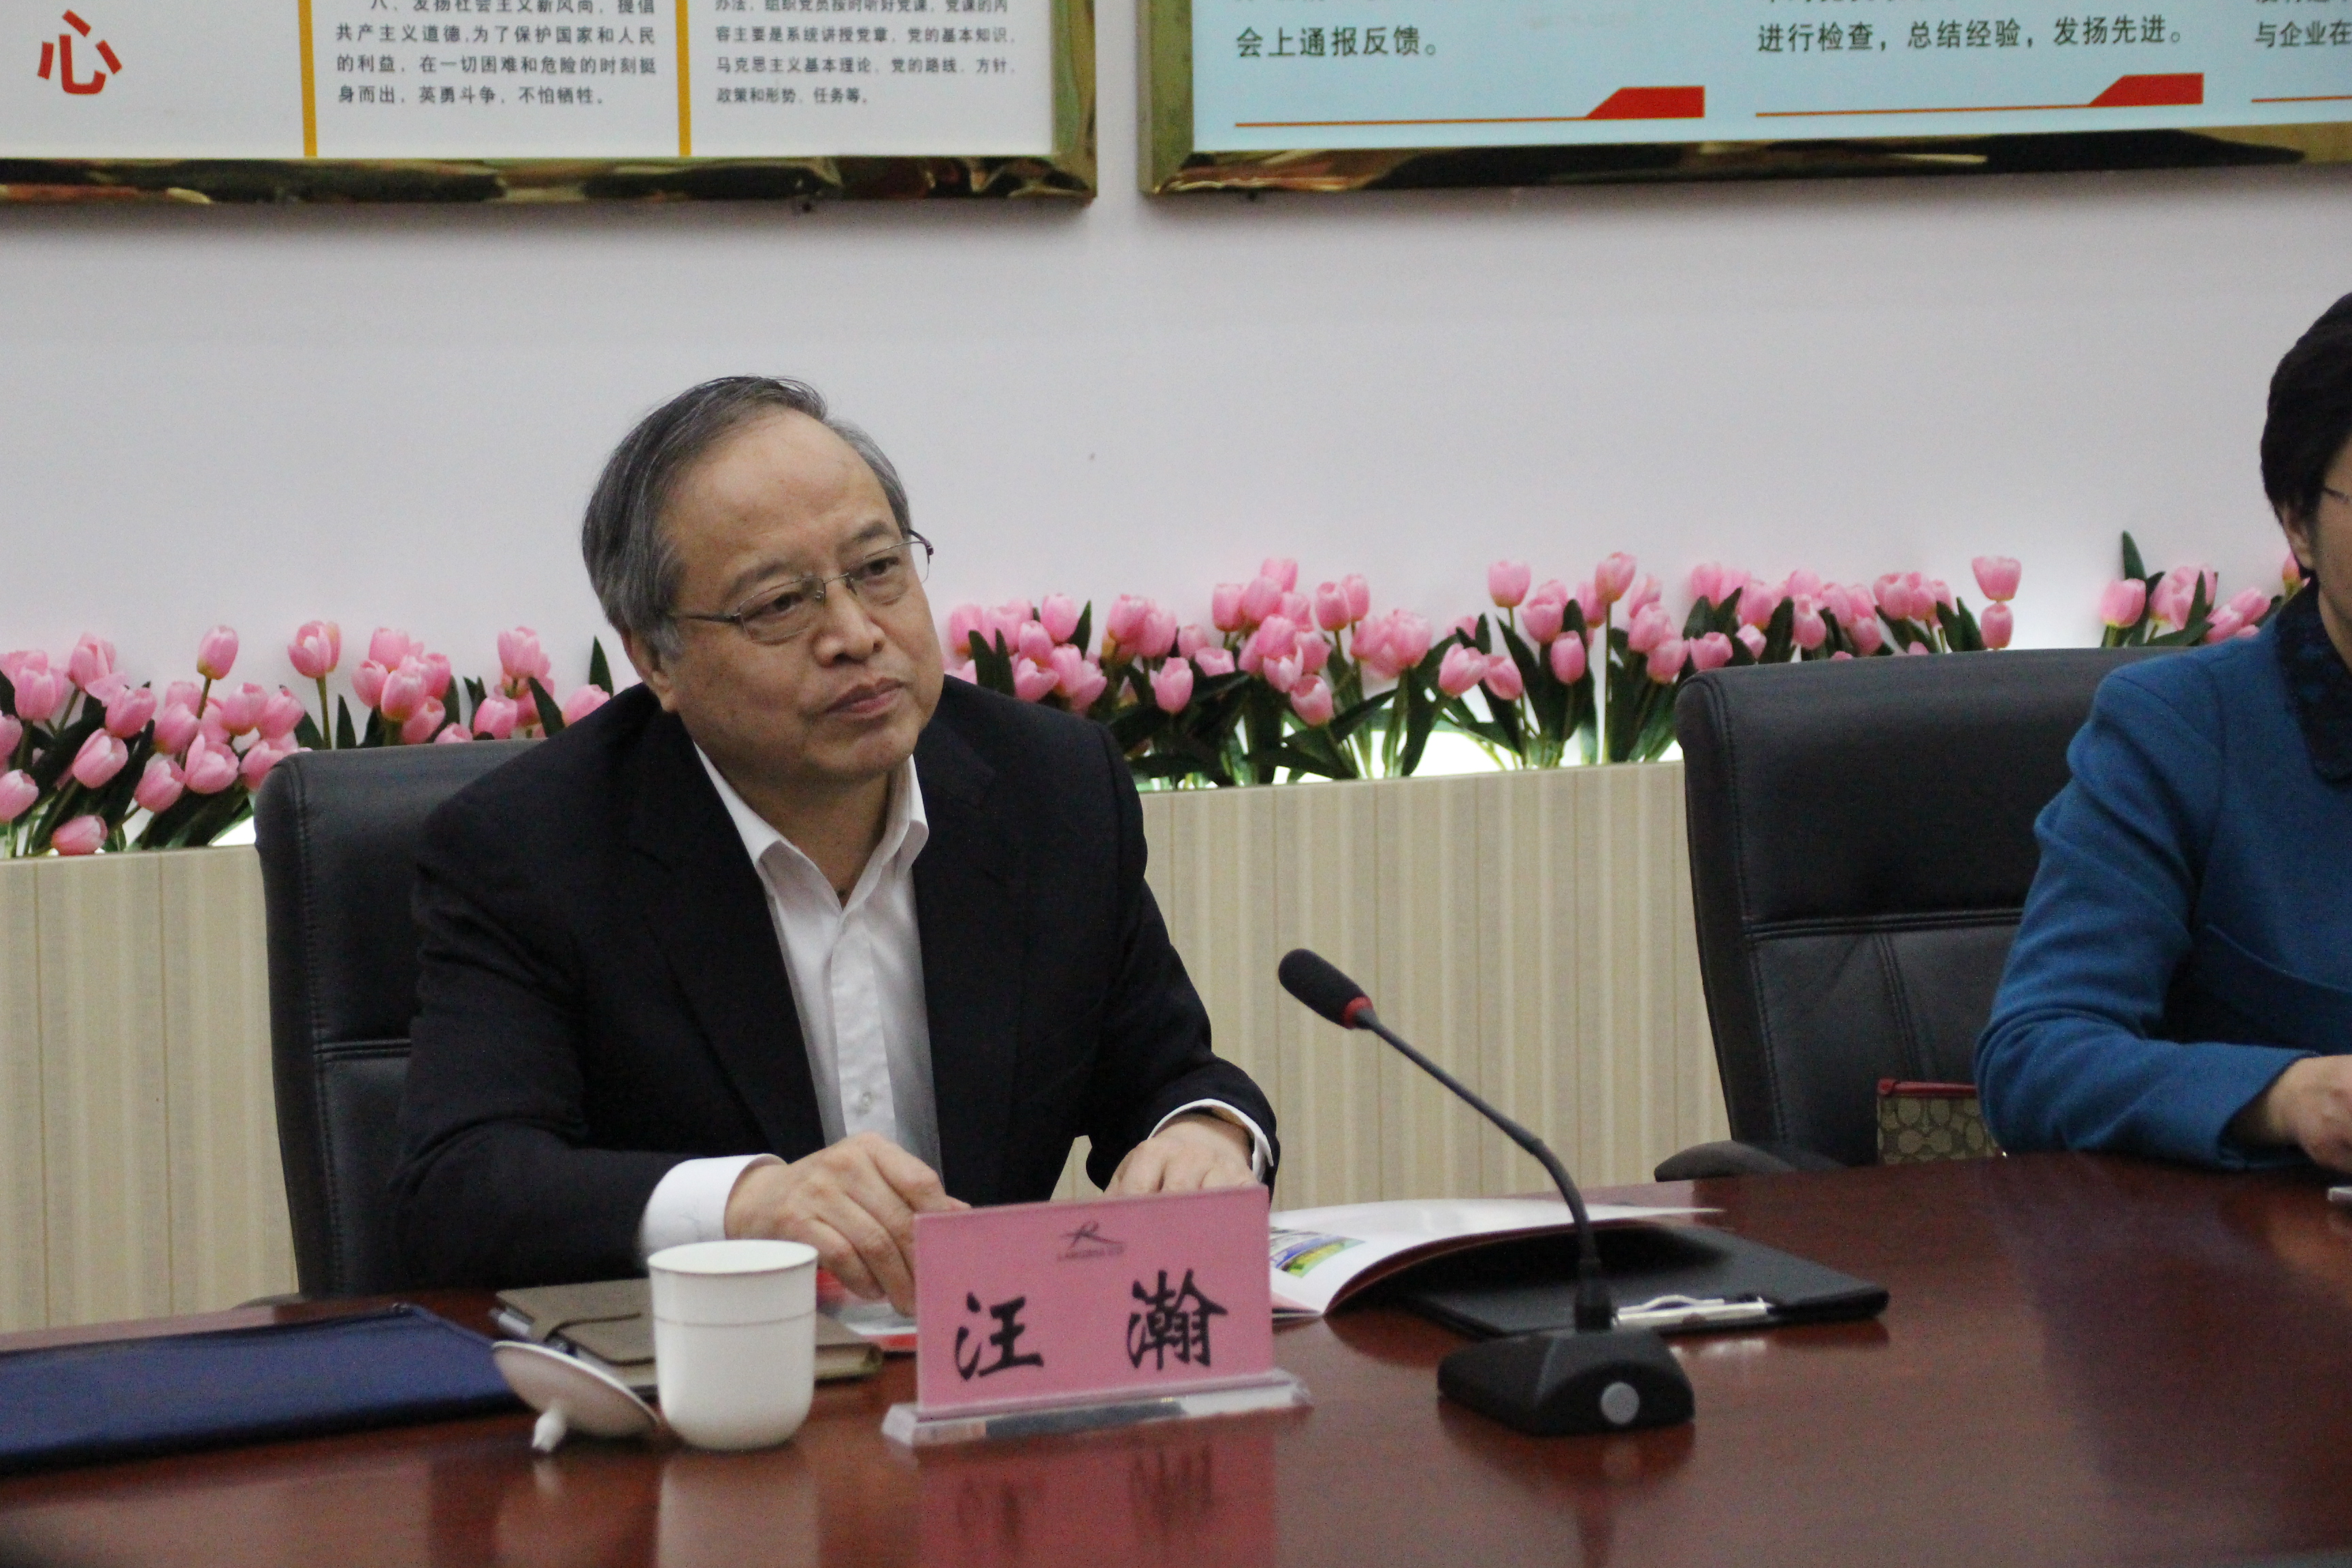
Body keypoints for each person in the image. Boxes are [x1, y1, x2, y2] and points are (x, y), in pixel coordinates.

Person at [391, 377, 1276, 1305]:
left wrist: (1203, 1135)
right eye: (780, 603)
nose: (856, 634)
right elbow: (458, 1190)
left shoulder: (1049, 791)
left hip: (987, 1364)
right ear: (654, 657)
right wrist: (747, 1206)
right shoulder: (528, 850)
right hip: (714, 1370)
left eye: (879, 569)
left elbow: (1169, 1074)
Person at [1977, 295, 2352, 1170]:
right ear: (2298, 521)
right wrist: (2287, 1097)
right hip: (2269, 1245)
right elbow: (2036, 1055)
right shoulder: (2182, 732)